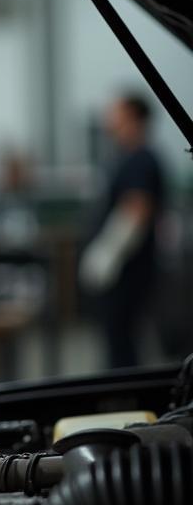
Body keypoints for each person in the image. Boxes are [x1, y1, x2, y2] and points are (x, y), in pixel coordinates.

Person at [79, 92, 165, 369]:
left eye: (115, 111)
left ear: (132, 117)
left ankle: (127, 405)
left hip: (127, 271)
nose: (108, 117)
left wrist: (106, 255)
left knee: (122, 343)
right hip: (121, 272)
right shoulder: (122, 157)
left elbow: (137, 209)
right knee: (116, 340)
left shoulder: (140, 159)